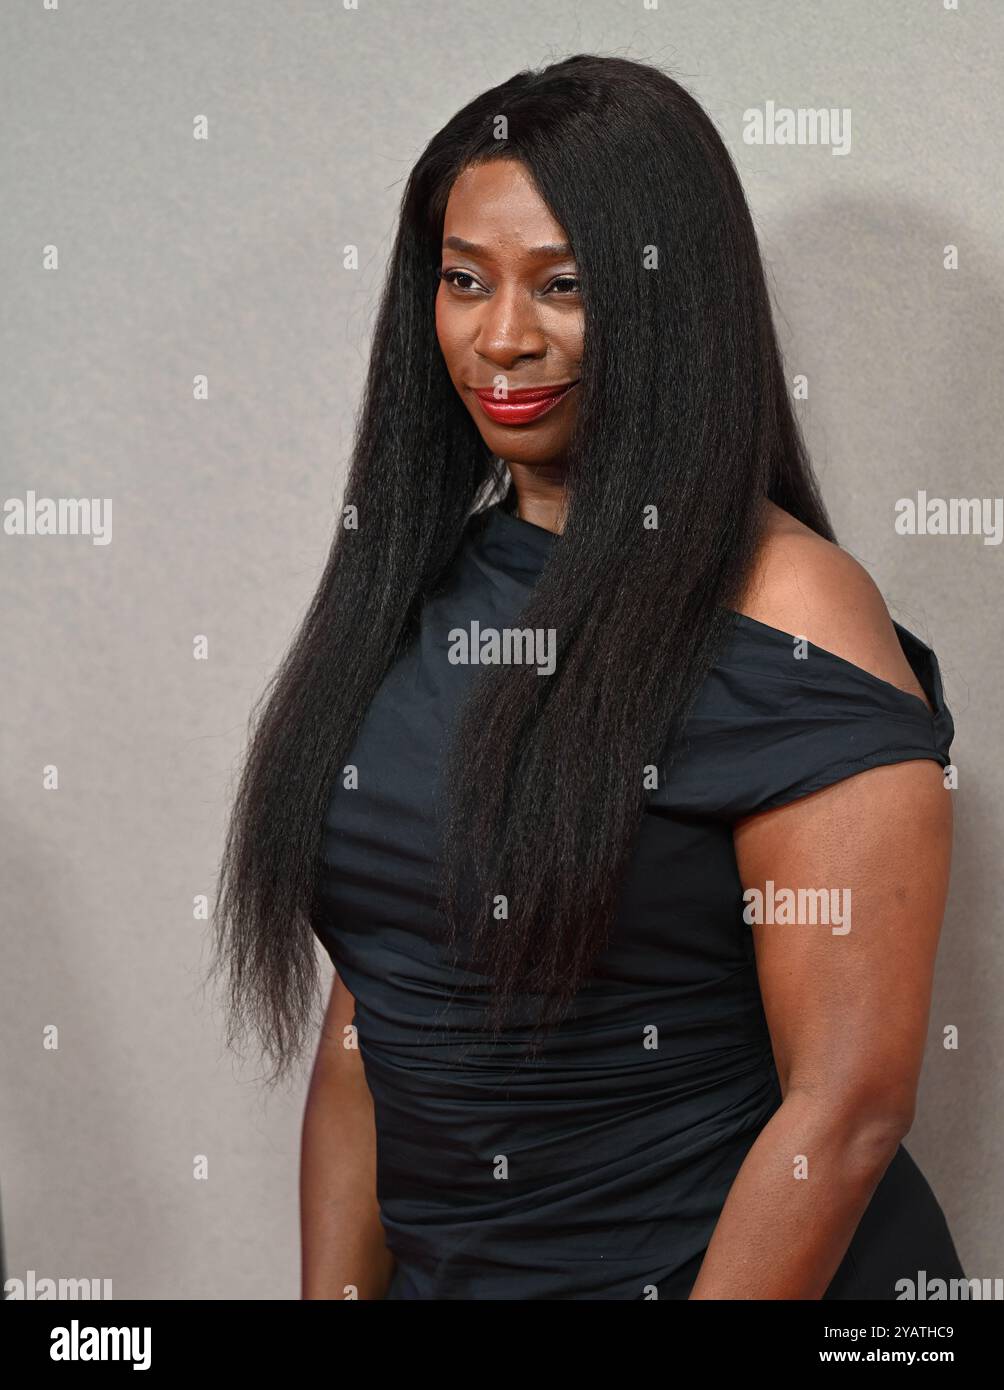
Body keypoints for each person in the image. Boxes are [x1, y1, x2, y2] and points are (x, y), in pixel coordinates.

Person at [210, 54, 965, 1299]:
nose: (501, 337)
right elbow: (370, 1019)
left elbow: (844, 1114)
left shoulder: (793, 611)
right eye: (463, 280)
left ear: (672, 303)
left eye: (562, 285)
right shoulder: (417, 588)